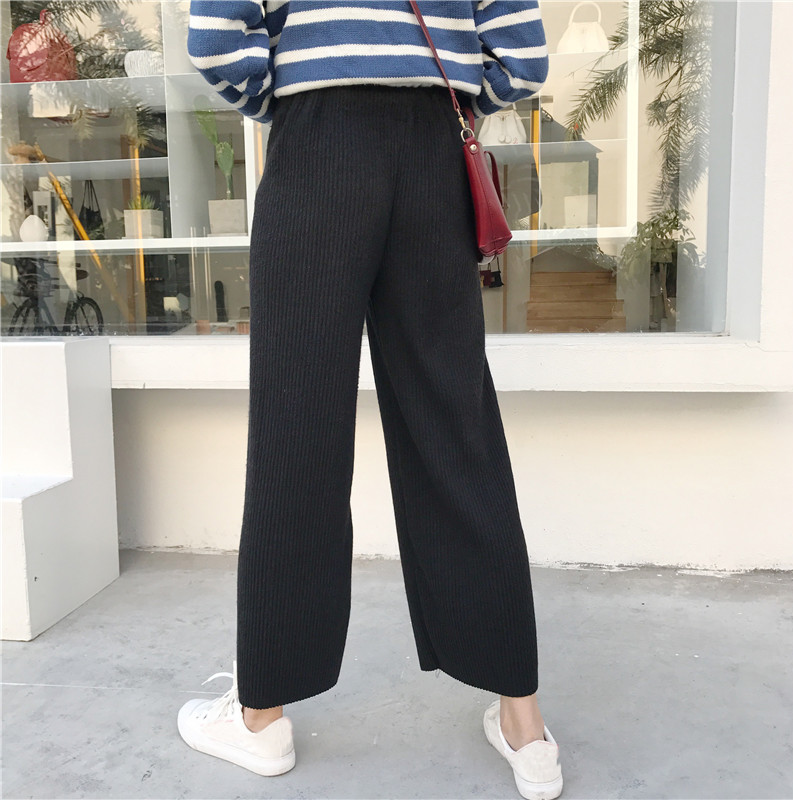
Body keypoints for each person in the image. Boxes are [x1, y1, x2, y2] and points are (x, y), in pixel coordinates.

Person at [178, 2, 562, 798]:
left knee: (296, 430)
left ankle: (262, 719)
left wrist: (292, 89)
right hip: (435, 150)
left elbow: (216, 40)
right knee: (457, 426)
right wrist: (444, 91)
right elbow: (521, 55)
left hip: (319, 142)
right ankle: (525, 726)